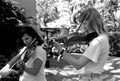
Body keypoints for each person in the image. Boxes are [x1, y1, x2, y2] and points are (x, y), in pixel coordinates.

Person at [52, 7, 109, 81]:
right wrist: (67, 54)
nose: (83, 27)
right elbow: (87, 58)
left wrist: (61, 51)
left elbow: (78, 64)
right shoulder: (103, 38)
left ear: (93, 22)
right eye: (82, 24)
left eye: (85, 23)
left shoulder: (97, 42)